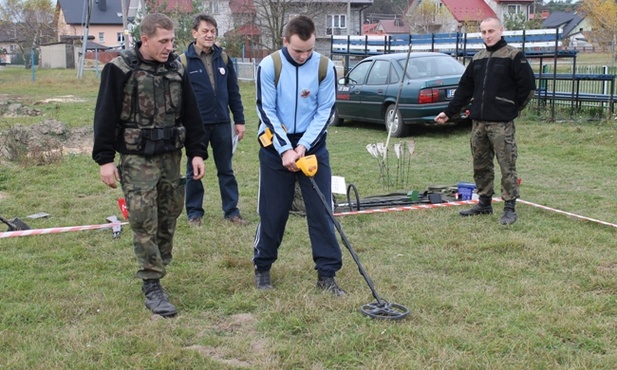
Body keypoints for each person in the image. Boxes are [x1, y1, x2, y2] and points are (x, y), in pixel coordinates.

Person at [92, 13, 207, 317]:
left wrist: (198, 152)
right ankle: (152, 283)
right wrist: (105, 159)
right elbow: (104, 115)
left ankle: (159, 267)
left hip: (171, 156)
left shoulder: (176, 69)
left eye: (172, 40)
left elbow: (192, 115)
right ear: (145, 39)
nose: (170, 46)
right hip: (137, 158)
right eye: (163, 41)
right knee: (144, 219)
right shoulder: (120, 70)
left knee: (169, 216)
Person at [252, 15, 345, 296]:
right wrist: (284, 149)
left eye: (309, 50)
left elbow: (325, 111)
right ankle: (263, 267)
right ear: (284, 42)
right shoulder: (269, 66)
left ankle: (327, 275)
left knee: (321, 211)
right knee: (273, 211)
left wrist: (302, 147)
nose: (304, 56)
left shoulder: (325, 67)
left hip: (311, 145)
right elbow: (266, 110)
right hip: (275, 146)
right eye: (297, 51)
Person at [434, 17, 536, 225]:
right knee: (480, 165)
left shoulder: (514, 56)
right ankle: (484, 202)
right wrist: (448, 112)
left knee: (507, 165)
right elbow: (464, 90)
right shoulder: (478, 58)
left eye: (491, 31)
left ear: (501, 30)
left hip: (501, 124)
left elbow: (527, 88)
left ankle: (509, 207)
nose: (487, 36)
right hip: (478, 122)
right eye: (483, 32)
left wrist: (510, 109)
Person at [180, 14, 247, 227]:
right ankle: (194, 213)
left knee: (226, 169)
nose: (209, 35)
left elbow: (233, 92)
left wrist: (239, 120)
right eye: (205, 31)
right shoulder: (183, 61)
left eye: (213, 31)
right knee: (194, 171)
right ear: (195, 33)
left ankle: (232, 211)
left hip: (221, 124)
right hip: (196, 126)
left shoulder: (224, 58)